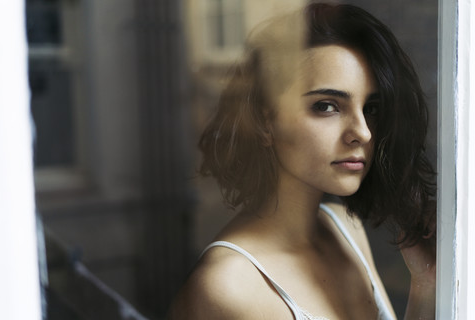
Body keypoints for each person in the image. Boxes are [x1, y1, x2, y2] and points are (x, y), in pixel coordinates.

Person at [169, 2, 436, 319]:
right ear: (266, 120)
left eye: (371, 109)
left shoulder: (346, 228)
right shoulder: (226, 286)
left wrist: (425, 283)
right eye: (326, 106)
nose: (362, 133)